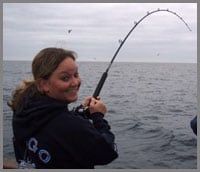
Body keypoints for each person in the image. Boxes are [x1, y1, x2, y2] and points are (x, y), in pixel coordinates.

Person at [8, 47, 118, 169]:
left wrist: (81, 111)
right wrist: (98, 117)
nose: (75, 82)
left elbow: (52, 123)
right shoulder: (69, 126)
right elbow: (107, 152)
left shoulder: (23, 108)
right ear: (43, 84)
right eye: (65, 78)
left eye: (76, 75)